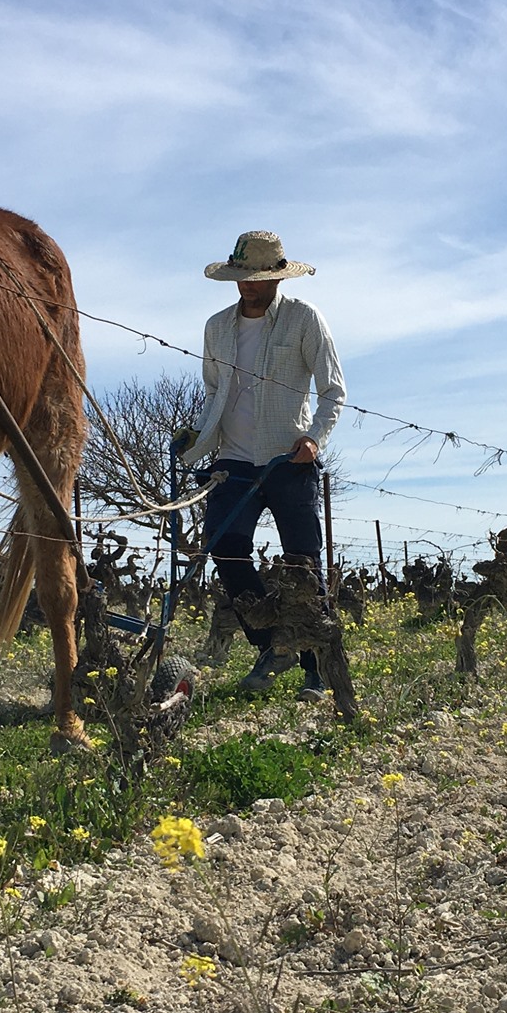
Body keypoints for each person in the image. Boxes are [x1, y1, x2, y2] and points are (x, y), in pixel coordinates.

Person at [177, 230, 347, 701]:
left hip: (288, 459)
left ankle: (316, 668)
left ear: (275, 277)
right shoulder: (216, 327)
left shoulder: (303, 319)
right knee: (225, 546)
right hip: (232, 458)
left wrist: (313, 439)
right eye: (240, 277)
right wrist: (196, 436)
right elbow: (213, 391)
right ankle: (272, 645)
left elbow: (333, 390)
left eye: (256, 277)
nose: (246, 285)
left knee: (302, 564)